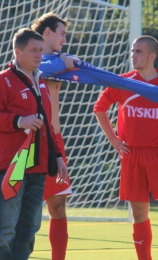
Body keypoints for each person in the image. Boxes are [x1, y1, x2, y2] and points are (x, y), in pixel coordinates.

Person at [0, 28, 68, 260]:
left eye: (41, 50)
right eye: (33, 50)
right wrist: (19, 121)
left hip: (37, 167)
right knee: (5, 231)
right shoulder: (0, 80)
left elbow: (46, 124)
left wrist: (58, 155)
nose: (39, 55)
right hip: (12, 166)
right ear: (17, 52)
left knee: (28, 232)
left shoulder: (41, 81)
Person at [94, 35, 158, 260]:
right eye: (132, 51)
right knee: (139, 213)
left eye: (138, 52)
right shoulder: (124, 81)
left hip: (156, 154)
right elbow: (99, 107)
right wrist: (113, 139)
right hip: (131, 155)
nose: (133, 55)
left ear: (152, 56)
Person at [31, 13, 73, 260]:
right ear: (48, 32)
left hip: (55, 141)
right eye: (62, 33)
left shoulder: (63, 60)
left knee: (58, 206)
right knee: (23, 205)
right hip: (27, 142)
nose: (65, 40)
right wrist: (61, 63)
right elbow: (39, 69)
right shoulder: (29, 58)